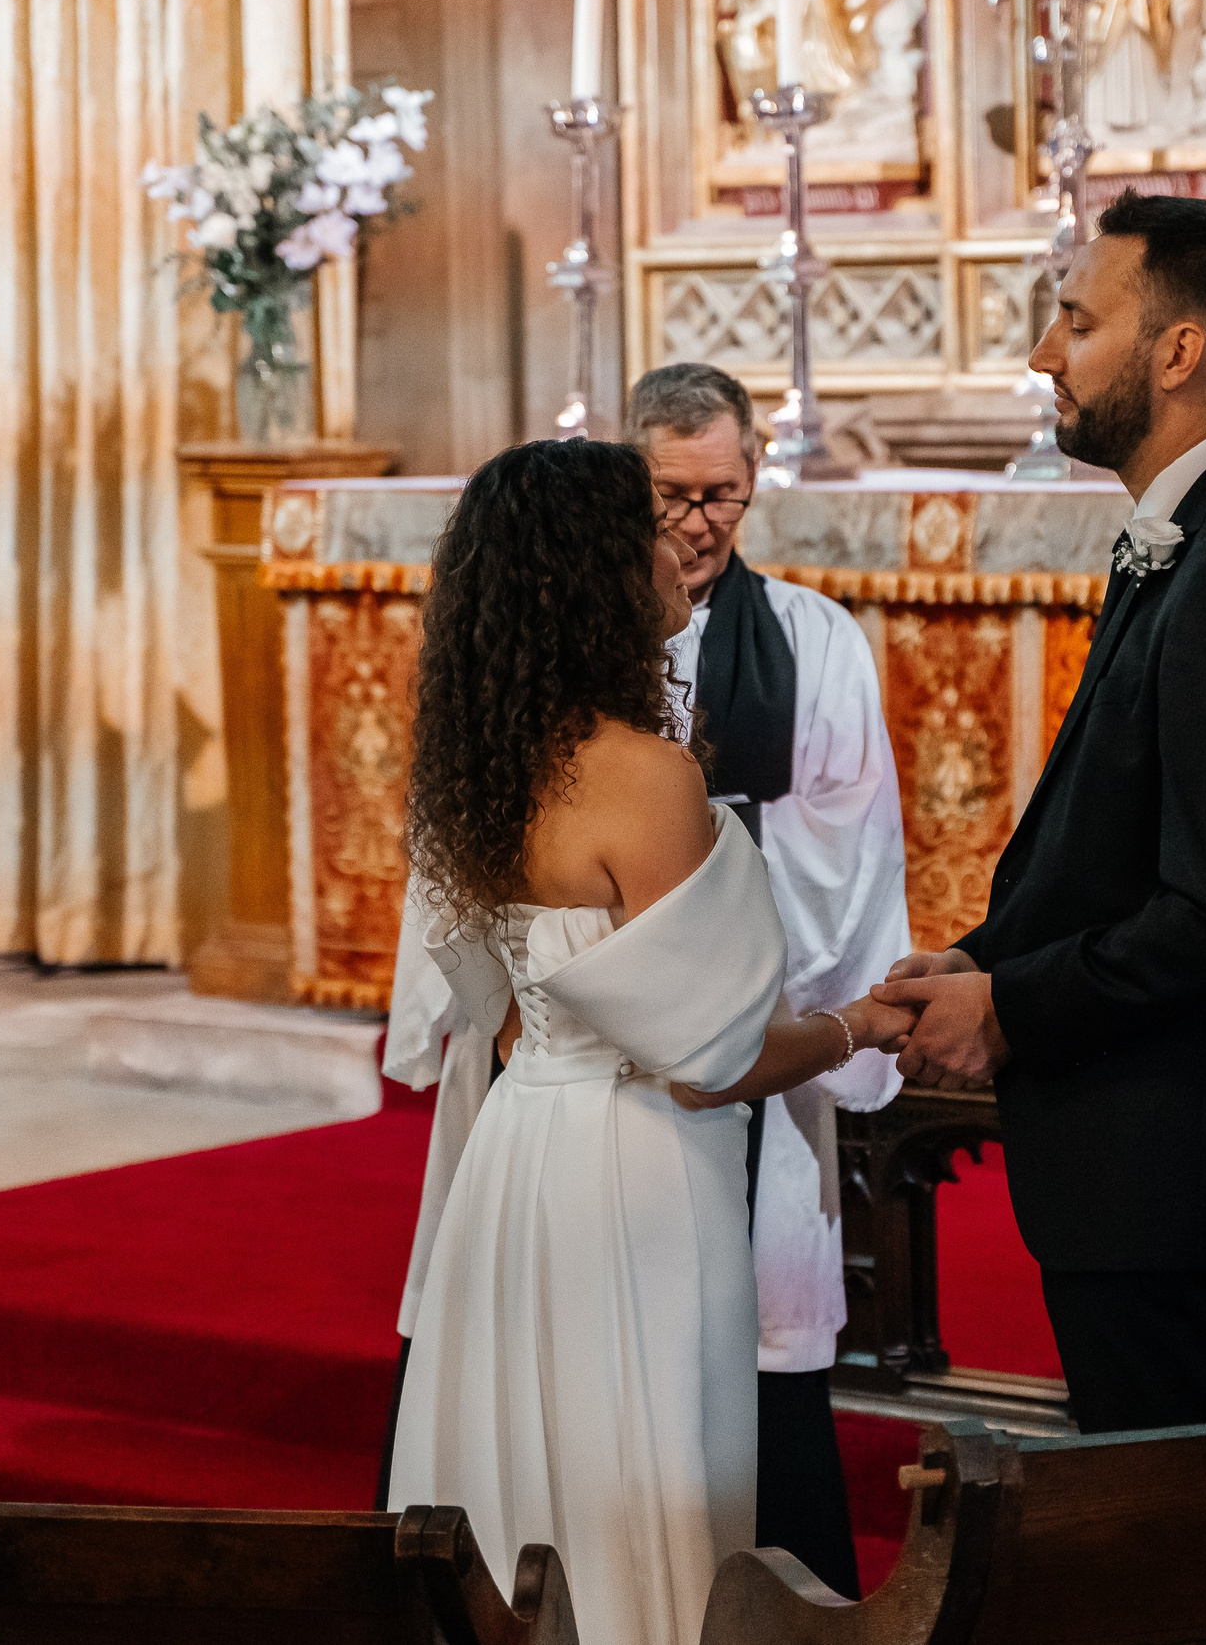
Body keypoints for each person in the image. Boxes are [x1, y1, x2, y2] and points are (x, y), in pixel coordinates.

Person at [380, 364, 909, 1599]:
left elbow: (502, 1009)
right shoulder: (649, 777)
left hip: (518, 1156)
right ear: (598, 573)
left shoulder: (478, 762)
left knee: (531, 1459)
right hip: (638, 1171)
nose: (681, 545)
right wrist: (860, 1023)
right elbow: (711, 1063)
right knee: (645, 1477)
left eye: (707, 503)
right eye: (652, 524)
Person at [874, 191, 1206, 1438]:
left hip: (1182, 1160)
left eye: (1076, 320)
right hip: (1153, 1152)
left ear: (1177, 352)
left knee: (1177, 1512)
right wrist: (983, 960)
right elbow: (1124, 843)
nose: (1041, 354)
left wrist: (1010, 1007)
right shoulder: (1200, 533)